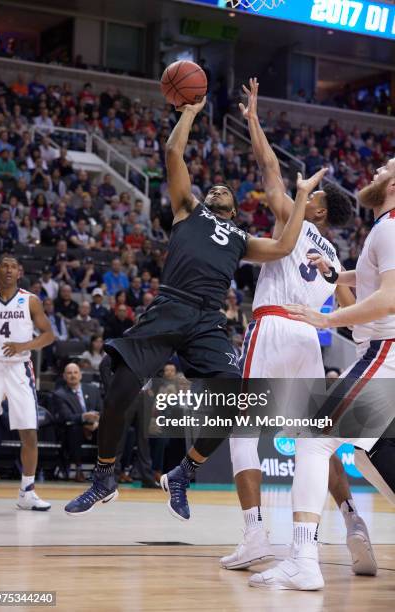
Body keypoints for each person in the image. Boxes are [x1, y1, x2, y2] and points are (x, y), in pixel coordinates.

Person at [64, 95, 327, 516]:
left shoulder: (241, 238)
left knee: (234, 399)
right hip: (171, 306)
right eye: (214, 188)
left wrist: (299, 199)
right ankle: (104, 477)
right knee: (121, 391)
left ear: (236, 209)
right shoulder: (187, 210)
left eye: (225, 190)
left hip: (208, 319)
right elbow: (172, 152)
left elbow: (284, 245)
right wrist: (189, 111)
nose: (218, 187)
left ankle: (184, 471)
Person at [221, 78, 376, 577]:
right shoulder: (335, 258)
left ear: (319, 209)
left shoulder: (298, 222)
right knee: (314, 441)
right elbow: (357, 314)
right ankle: (353, 521)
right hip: (310, 337)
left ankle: (255, 536)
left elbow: (269, 171)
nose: (300, 190)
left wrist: (252, 120)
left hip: (272, 328)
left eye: (310, 192)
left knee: (241, 432)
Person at [251, 158, 395, 590]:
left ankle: (303, 559)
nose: (375, 173)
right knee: (376, 458)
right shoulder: (385, 228)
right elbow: (373, 279)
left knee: (313, 440)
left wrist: (326, 319)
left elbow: (388, 299)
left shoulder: (390, 227)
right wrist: (338, 275)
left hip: (385, 351)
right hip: (383, 353)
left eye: (384, 169)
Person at [0, 255, 54, 510]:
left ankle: (27, 492)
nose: (7, 270)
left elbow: (48, 335)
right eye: (3, 266)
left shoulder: (30, 301)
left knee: (29, 432)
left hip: (19, 369)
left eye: (13, 266)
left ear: (19, 273)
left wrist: (22, 346)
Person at [53, 363, 102, 482]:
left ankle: (102, 470)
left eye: (75, 372)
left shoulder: (93, 390)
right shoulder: (60, 394)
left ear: (80, 375)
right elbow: (66, 416)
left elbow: (101, 410)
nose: (73, 375)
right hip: (74, 429)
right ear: (64, 376)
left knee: (107, 431)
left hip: (94, 426)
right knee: (75, 430)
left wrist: (96, 422)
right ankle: (78, 470)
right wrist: (84, 418)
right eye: (69, 373)